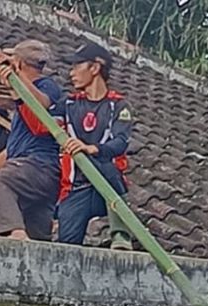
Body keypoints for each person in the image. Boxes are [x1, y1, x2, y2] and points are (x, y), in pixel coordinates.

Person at [0, 40, 64, 241]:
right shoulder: (22, 105)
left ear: (19, 64)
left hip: (38, 165)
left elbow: (42, 103)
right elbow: (11, 151)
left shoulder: (46, 86)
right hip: (33, 171)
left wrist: (15, 76)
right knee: (36, 231)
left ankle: (16, 235)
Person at [50, 42, 133, 250]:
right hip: (76, 186)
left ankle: (121, 235)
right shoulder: (69, 104)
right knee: (66, 245)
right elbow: (44, 117)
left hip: (106, 184)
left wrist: (91, 148)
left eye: (77, 66)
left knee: (107, 166)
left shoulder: (117, 105)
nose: (72, 73)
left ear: (95, 68)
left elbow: (119, 142)